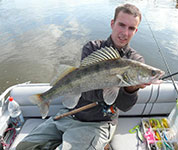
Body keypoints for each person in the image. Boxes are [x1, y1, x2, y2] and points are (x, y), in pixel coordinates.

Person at [16, 3, 149, 150]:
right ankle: (44, 102)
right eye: (121, 25)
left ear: (136, 31)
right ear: (112, 24)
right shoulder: (92, 47)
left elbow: (124, 106)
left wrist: (131, 89)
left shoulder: (136, 61)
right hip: (68, 114)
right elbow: (85, 91)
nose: (125, 32)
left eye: (131, 28)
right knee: (24, 147)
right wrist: (111, 84)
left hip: (98, 124)